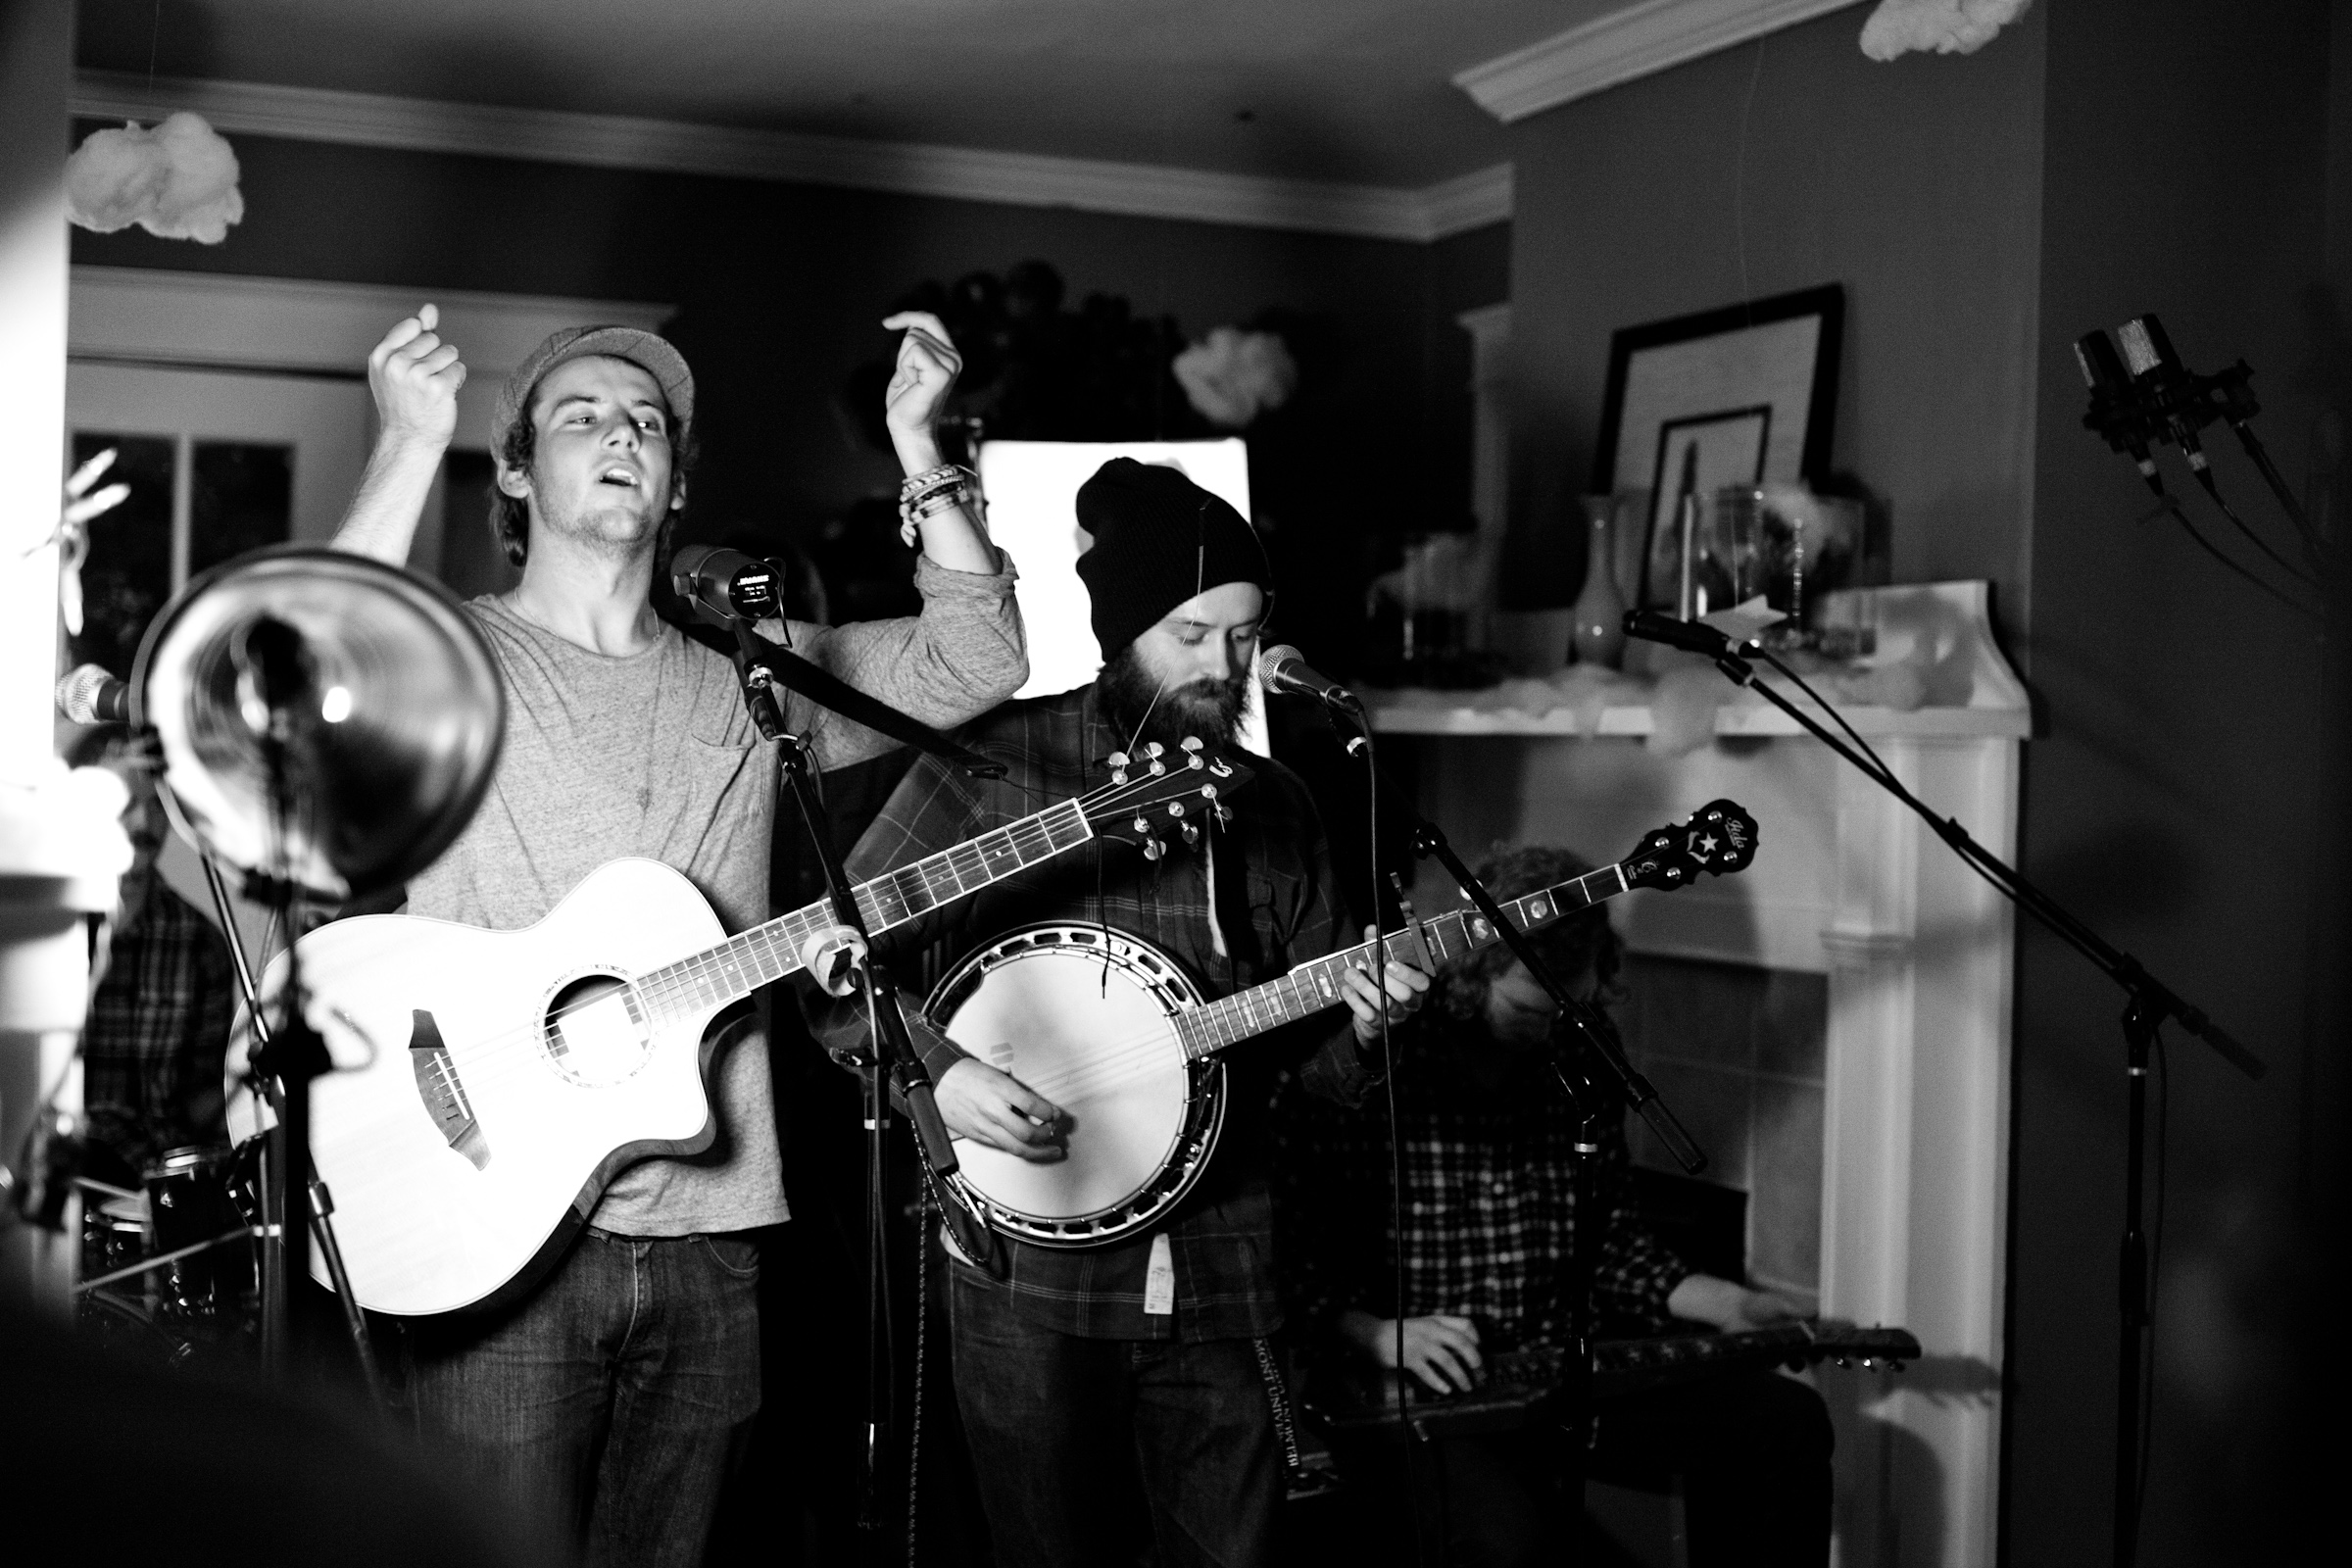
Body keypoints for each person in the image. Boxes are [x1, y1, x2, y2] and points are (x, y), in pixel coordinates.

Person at [325, 304, 1028, 1565]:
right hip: (497, 1226)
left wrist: (923, 445)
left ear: (678, 478)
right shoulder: (455, 657)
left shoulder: (756, 676)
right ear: (518, 471)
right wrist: (404, 442)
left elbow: (975, 658)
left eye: (647, 422)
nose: (622, 436)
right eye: (582, 417)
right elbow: (310, 669)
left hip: (713, 1233)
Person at [805, 458, 1433, 1568]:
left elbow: (1318, 1069)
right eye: (1192, 634)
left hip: (1226, 1269)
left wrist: (1371, 1021)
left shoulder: (1274, 802)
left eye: (1242, 637)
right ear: (1124, 624)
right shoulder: (991, 765)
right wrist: (942, 1068)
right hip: (1025, 1271)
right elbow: (831, 975)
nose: (1222, 666)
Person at [1276, 844, 1834, 1567]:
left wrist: (1724, 1301)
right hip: (1414, 1381)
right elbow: (1284, 1247)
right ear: (1474, 976)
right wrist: (1375, 1333)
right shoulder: (1378, 1053)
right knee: (1505, 1543)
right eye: (1528, 1008)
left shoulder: (1580, 1042)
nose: (1550, 1027)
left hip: (1557, 1364)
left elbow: (1610, 1240)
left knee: (1783, 1424)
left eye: (1569, 1007)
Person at [69, 725, 237, 1188]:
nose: (143, 823)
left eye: (157, 802)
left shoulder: (199, 942)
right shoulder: (35, 925)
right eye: (125, 801)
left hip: (153, 1190)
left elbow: (202, 1098)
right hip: (46, 1179)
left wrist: (251, 1096)